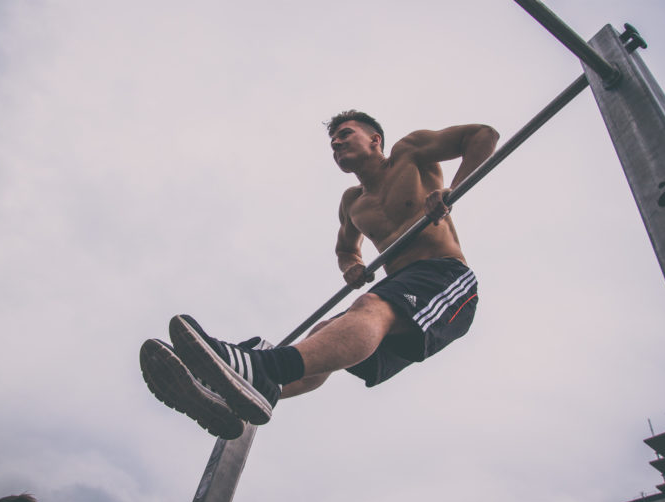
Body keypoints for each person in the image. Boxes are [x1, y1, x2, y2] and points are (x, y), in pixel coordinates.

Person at [140, 110, 498, 438]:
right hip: (399, 285)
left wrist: (451, 190)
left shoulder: (410, 152)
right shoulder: (352, 202)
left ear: (375, 140)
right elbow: (345, 248)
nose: (337, 143)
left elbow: (482, 135)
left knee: (370, 305)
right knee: (325, 333)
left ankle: (264, 366)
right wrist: (352, 266)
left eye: (345, 134)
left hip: (444, 277)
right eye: (332, 142)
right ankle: (237, 393)